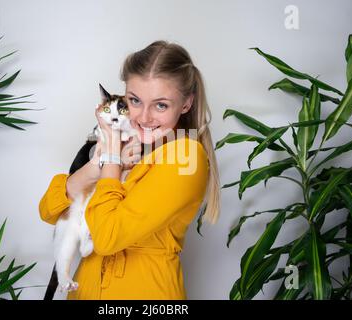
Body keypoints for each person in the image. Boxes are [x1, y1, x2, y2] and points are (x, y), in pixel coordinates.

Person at [39, 40, 221, 300]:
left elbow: (106, 237)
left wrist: (111, 147)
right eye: (135, 100)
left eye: (161, 105)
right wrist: (98, 163)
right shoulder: (124, 152)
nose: (144, 117)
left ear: (186, 104)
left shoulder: (185, 157)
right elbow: (48, 208)